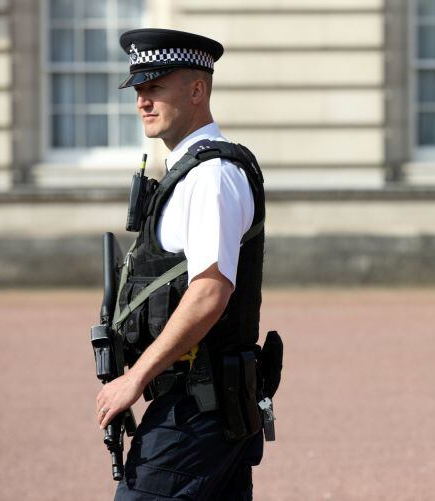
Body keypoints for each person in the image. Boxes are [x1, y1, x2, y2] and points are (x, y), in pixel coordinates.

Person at [95, 28, 269, 499]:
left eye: (155, 88)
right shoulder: (187, 171)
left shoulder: (211, 176)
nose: (142, 102)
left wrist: (135, 377)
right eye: (139, 90)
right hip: (201, 402)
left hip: (197, 408)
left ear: (197, 90)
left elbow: (210, 292)